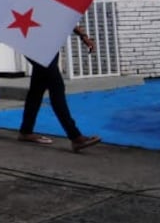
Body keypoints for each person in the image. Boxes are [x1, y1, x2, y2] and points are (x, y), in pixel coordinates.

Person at [19, 24, 101, 152]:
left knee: (37, 90)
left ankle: (25, 131)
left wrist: (82, 35)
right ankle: (75, 137)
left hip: (48, 45)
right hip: (32, 44)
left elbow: (62, 13)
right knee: (56, 88)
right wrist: (82, 36)